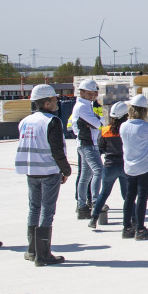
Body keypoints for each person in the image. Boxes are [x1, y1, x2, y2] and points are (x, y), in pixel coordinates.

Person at [16, 83, 71, 267]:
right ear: (46, 103)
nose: (57, 102)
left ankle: (32, 250)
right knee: (47, 211)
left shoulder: (25, 121)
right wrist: (65, 169)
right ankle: (43, 254)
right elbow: (57, 150)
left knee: (33, 209)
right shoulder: (52, 122)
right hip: (48, 171)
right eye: (54, 99)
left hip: (31, 171)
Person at [119, 95, 148, 240]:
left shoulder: (123, 126)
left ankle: (127, 227)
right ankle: (140, 229)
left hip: (129, 166)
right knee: (142, 197)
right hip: (145, 166)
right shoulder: (146, 127)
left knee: (129, 197)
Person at [87, 101, 128, 230]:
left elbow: (101, 148)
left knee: (104, 193)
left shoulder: (105, 130)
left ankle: (94, 218)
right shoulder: (126, 130)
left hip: (109, 165)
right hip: (124, 166)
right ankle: (132, 219)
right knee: (127, 195)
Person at [70, 79, 104, 221]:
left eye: (94, 93)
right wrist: (103, 120)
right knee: (98, 171)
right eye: (89, 93)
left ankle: (82, 206)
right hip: (87, 144)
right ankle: (96, 201)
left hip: (87, 144)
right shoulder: (82, 107)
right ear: (82, 92)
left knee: (85, 176)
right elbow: (97, 124)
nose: (92, 95)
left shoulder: (86, 105)